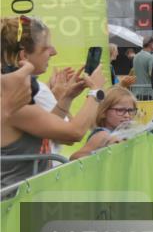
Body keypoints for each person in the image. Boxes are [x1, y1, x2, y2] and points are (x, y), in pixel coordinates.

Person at [1, 16, 105, 190]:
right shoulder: (13, 104)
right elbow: (74, 133)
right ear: (24, 55)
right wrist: (96, 92)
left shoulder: (14, 100)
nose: (54, 52)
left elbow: (50, 133)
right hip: (15, 203)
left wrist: (67, 97)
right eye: (46, 47)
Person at [70, 87, 139, 160]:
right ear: (104, 112)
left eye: (131, 110)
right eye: (120, 110)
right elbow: (74, 158)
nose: (127, 115)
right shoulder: (103, 135)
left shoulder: (124, 133)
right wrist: (103, 150)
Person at [131, 36, 153, 100]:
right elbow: (151, 74)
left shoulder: (136, 56)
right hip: (147, 92)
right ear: (150, 44)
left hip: (136, 91)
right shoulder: (150, 57)